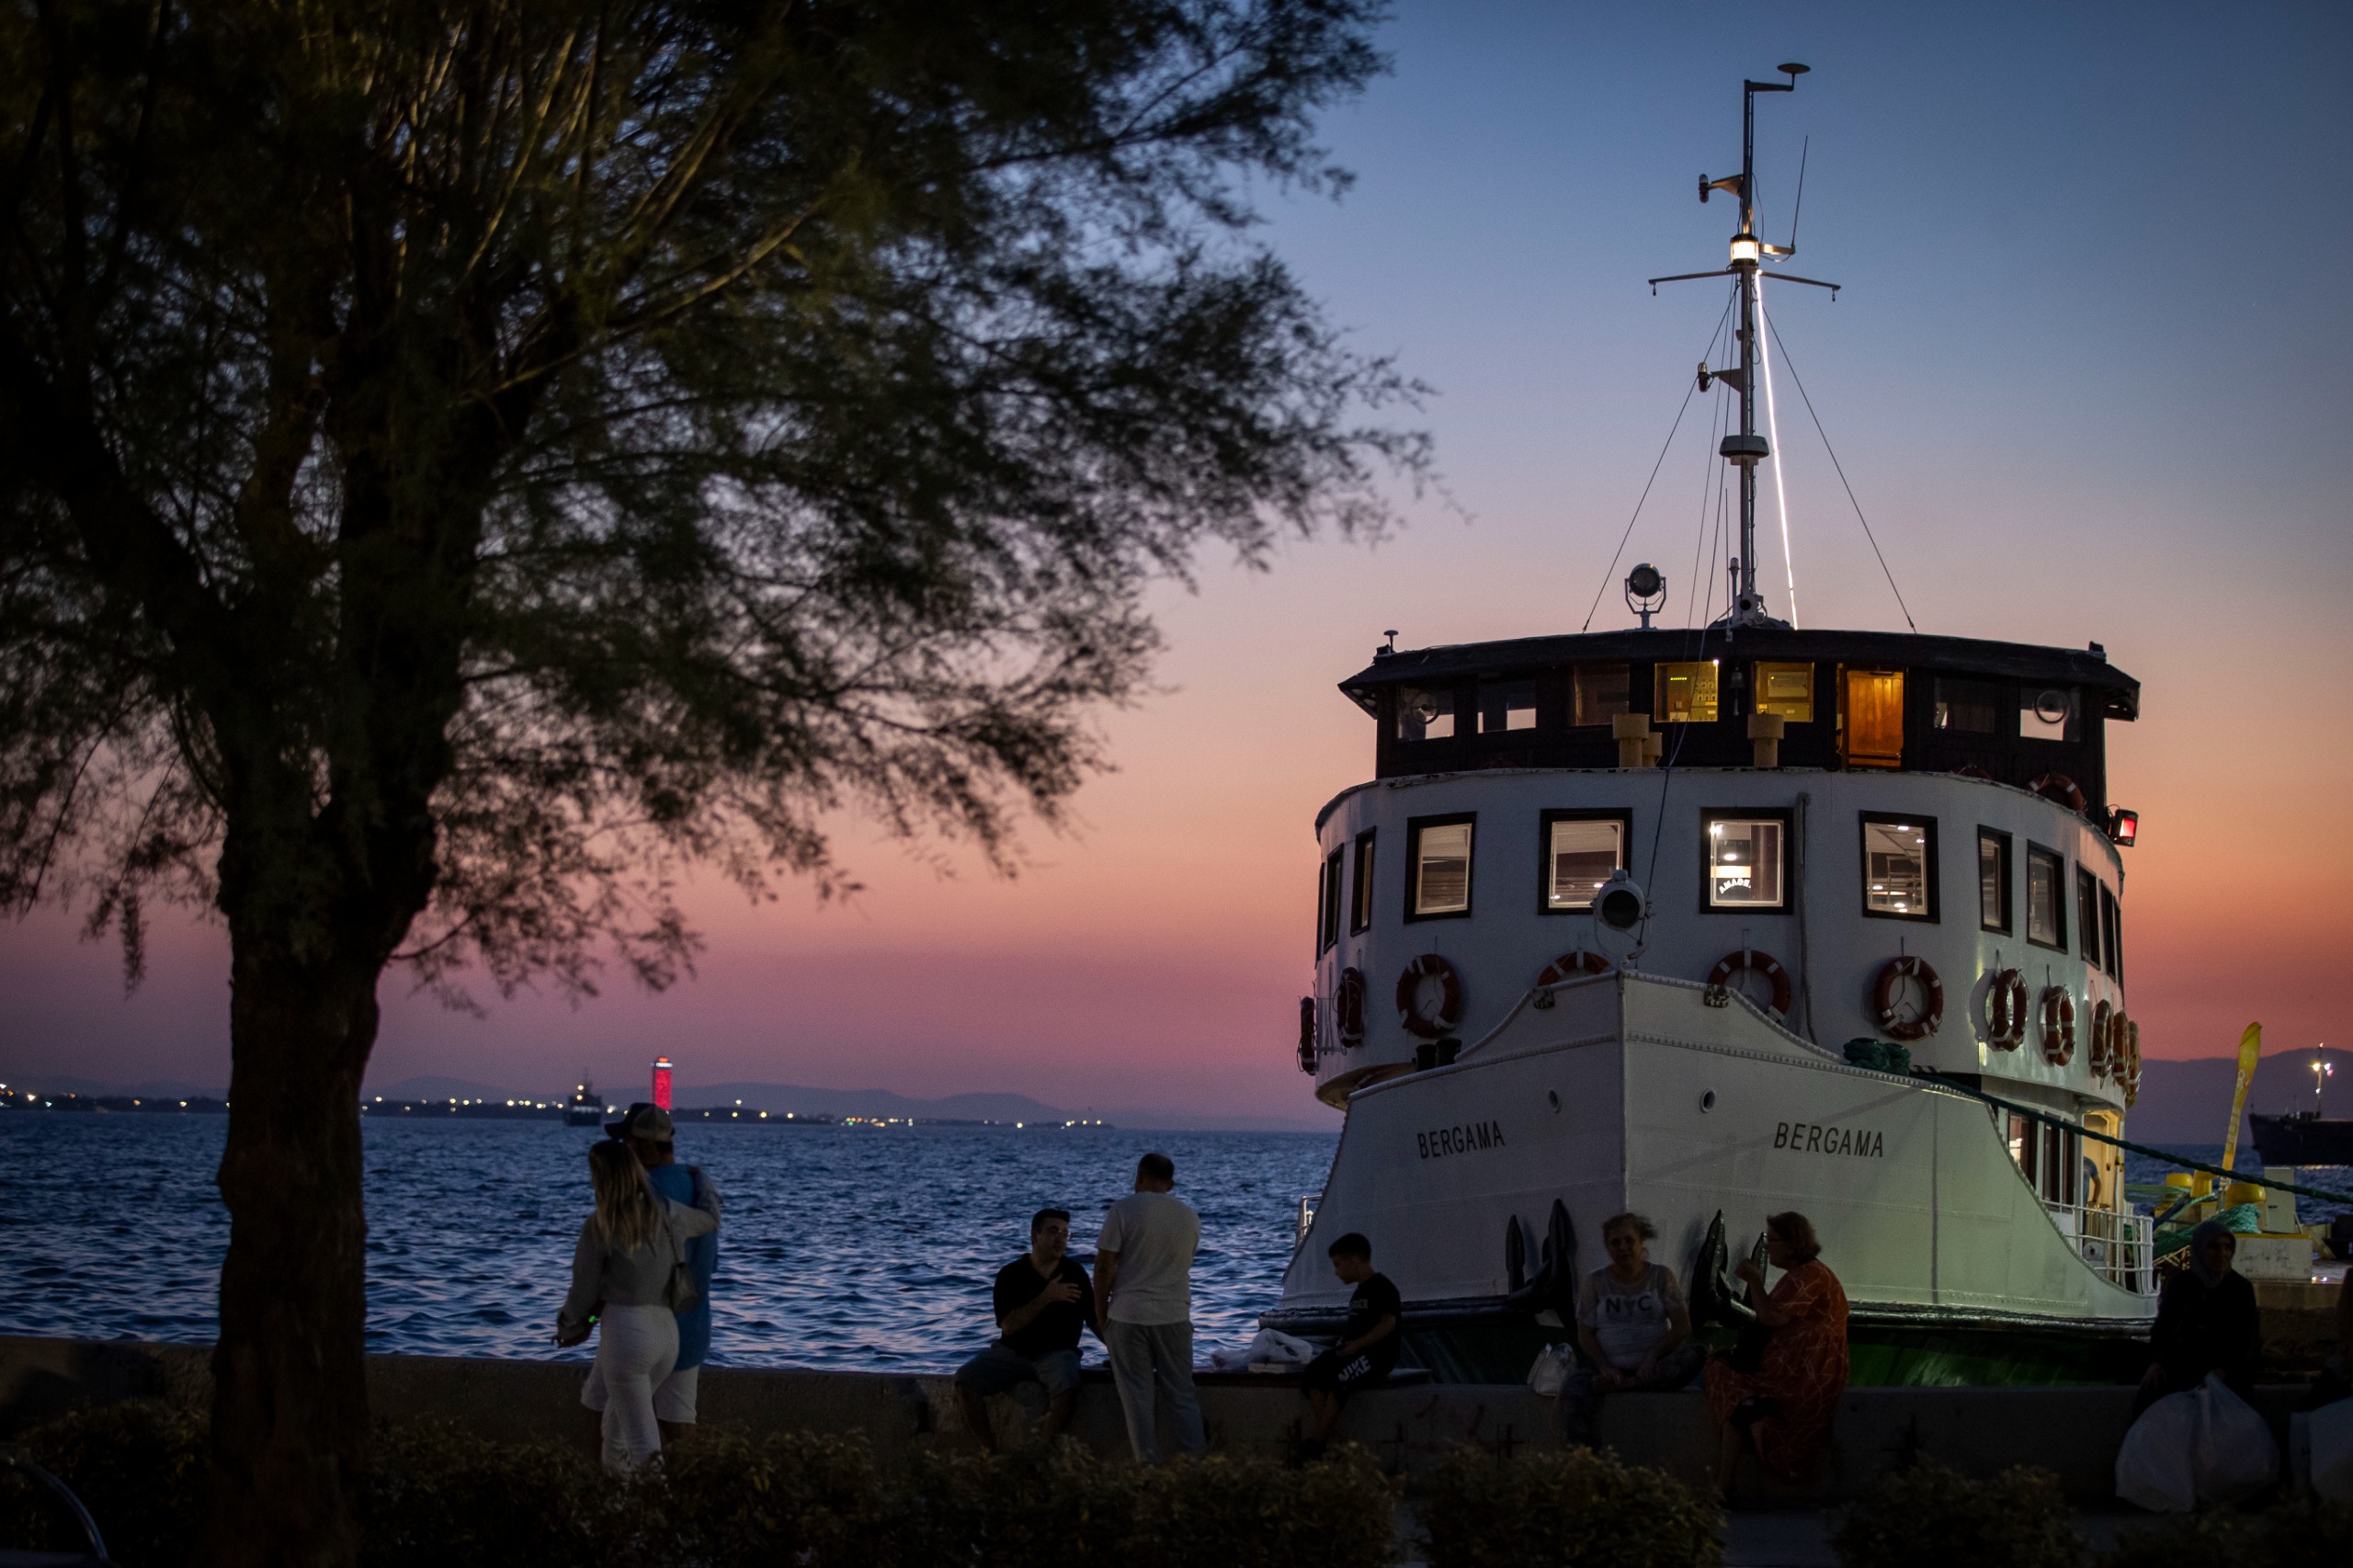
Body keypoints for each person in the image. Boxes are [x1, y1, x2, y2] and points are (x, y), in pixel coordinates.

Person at [555, 1137, 720, 1471]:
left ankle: (653, 1517)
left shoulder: (600, 1225)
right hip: (667, 1335)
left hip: (627, 1335)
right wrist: (701, 1179)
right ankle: (617, 1513)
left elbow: (583, 1293)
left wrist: (572, 1327)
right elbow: (709, 1218)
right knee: (613, 1435)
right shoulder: (669, 1214)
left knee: (644, 1446)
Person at [1703, 1210, 1848, 1494]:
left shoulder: (1808, 1276)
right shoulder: (1807, 1274)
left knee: (1718, 1370)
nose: (1767, 1246)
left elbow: (1771, 1317)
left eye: (1773, 1240)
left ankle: (1727, 1479)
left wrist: (1754, 1280)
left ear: (1793, 1244)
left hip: (1802, 1375)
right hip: (1799, 1368)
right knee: (1732, 1393)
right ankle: (1725, 1482)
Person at [954, 1208, 1100, 1451]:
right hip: (1013, 1353)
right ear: (1035, 1236)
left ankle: (1038, 1456)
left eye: (1066, 1233)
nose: (1061, 1238)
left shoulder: (1075, 1273)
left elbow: (1094, 1320)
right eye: (1053, 1231)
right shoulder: (1011, 1275)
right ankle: (989, 1452)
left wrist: (1119, 1353)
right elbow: (1009, 1326)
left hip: (1058, 1353)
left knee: (1068, 1390)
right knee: (964, 1381)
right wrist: (1047, 1296)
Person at [1096, 1151, 1207, 1463]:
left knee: (1137, 1399)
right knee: (1182, 1394)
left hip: (1128, 1316)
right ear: (1170, 1184)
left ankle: (1149, 1471)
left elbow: (1104, 1267)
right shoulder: (1189, 1217)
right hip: (1174, 1316)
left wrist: (1101, 1313)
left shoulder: (1123, 1210)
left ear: (1139, 1176)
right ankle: (1196, 1466)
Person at [1560, 1212, 1703, 1444]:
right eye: (1615, 1243)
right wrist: (1605, 1367)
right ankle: (1589, 1463)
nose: (1623, 1247)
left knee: (1696, 1355)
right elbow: (1585, 1334)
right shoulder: (1595, 1283)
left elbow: (1682, 1326)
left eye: (1629, 1240)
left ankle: (1628, 1385)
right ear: (1607, 1247)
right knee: (1574, 1388)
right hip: (1610, 1372)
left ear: (1640, 1242)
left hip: (1652, 1370)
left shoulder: (1660, 1277)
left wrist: (1651, 1357)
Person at [2134, 1219, 2260, 1417]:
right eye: (2214, 1247)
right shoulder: (2182, 1284)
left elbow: (2246, 1340)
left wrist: (2223, 1369)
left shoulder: (2240, 1289)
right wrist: (2156, 1362)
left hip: (2226, 1371)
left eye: (2227, 1247)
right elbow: (2164, 1327)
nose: (2222, 1254)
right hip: (2187, 1367)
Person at [1299, 1232, 1401, 1452]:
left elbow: (1387, 1324)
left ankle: (1317, 1441)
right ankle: (1332, 1438)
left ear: (1353, 1261)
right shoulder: (1358, 1293)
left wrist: (1358, 1345)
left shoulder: (1383, 1287)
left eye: (1338, 1265)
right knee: (1312, 1375)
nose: (1336, 1272)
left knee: (1341, 1377)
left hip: (1377, 1356)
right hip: (1354, 1351)